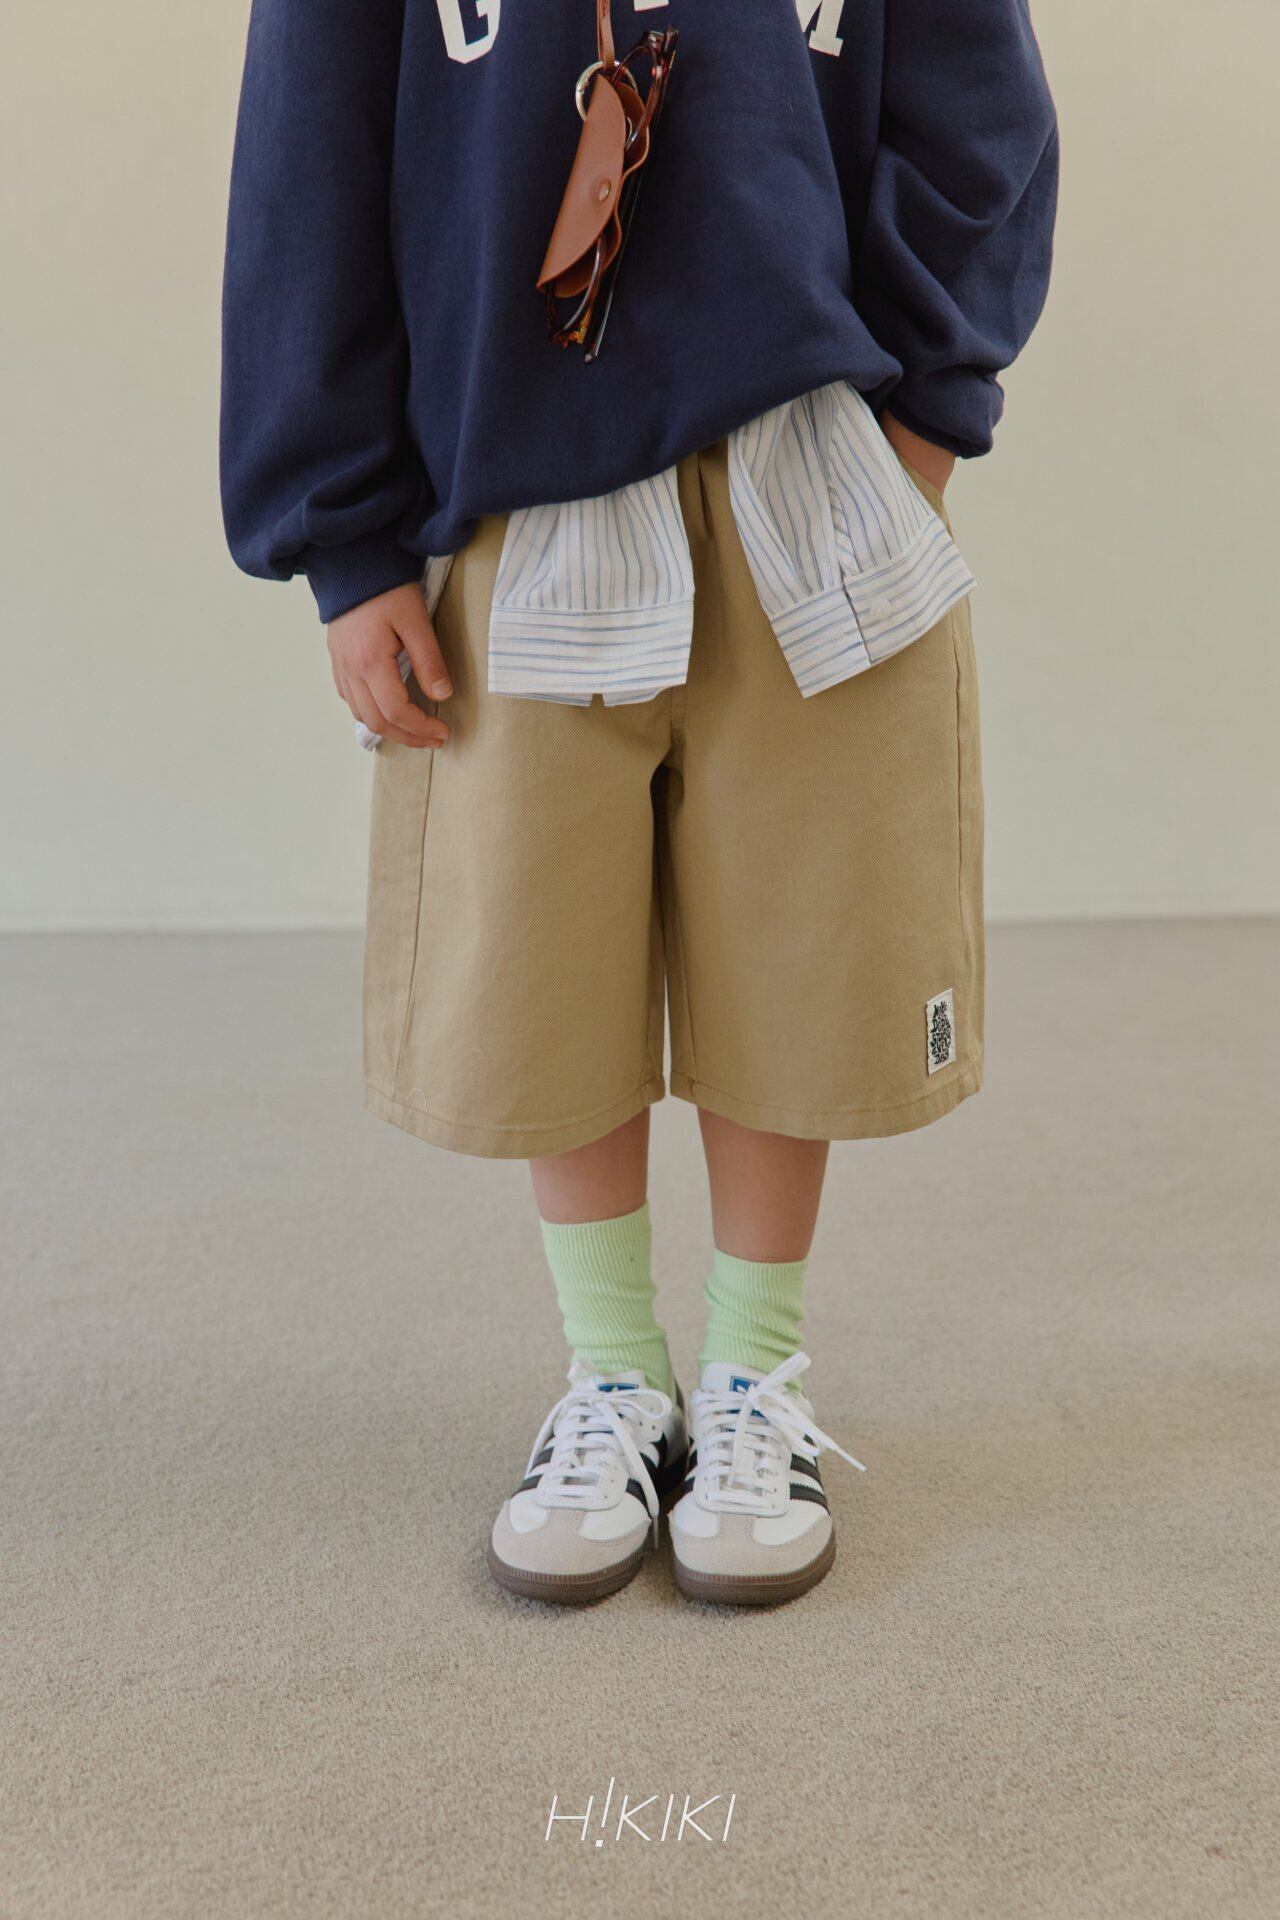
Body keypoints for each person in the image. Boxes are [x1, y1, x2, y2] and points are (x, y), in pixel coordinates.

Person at [221, 0, 1057, 1606]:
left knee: (804, 937)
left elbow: (980, 97)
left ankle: (753, 1373)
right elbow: (304, 165)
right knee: (545, 948)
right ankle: (612, 1374)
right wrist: (343, 535)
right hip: (505, 474)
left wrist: (928, 410)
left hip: (813, 456)